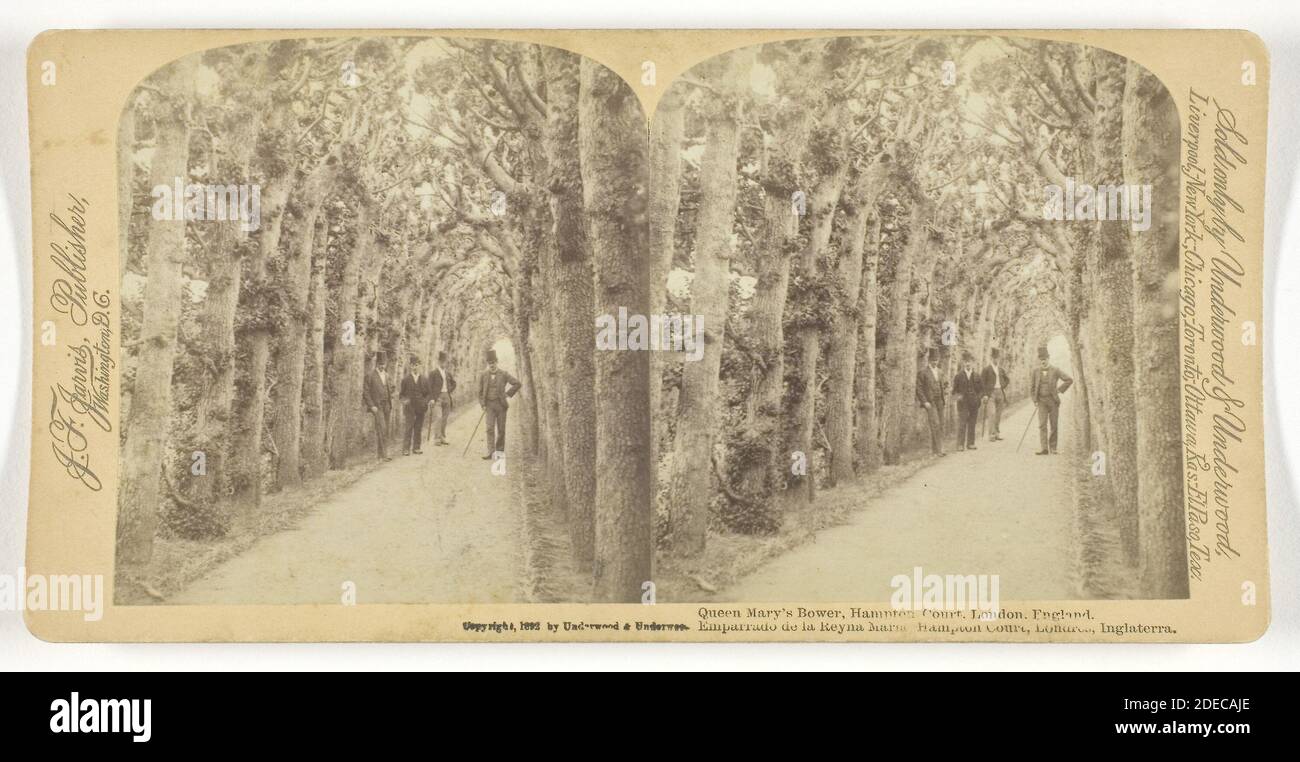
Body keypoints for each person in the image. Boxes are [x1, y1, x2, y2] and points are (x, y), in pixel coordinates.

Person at [477, 349, 521, 460]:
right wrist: (483, 404)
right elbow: (480, 392)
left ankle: (499, 452)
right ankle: (491, 452)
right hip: (489, 406)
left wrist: (507, 394)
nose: (491, 365)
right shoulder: (483, 375)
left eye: (493, 362)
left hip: (501, 405)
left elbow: (517, 383)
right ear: (488, 364)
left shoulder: (504, 374)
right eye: (489, 363)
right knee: (489, 428)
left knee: (501, 430)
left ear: (497, 362)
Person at [1030, 346, 1073, 455]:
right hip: (1041, 402)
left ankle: (1053, 448)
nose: (1043, 361)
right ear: (1039, 360)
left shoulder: (1055, 370)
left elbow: (1069, 380)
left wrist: (1059, 390)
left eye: (1045, 358)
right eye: (1041, 359)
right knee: (1042, 425)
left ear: (1048, 358)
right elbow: (1032, 387)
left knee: (1054, 424)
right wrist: (1034, 399)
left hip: (1053, 401)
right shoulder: (1035, 371)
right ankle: (1044, 448)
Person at [915, 350, 947, 457]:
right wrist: (924, 401)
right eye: (933, 360)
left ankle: (937, 449)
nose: (935, 362)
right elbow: (918, 389)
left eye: (936, 360)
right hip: (930, 402)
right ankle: (939, 450)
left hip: (940, 402)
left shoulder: (940, 372)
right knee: (935, 424)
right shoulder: (923, 373)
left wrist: (945, 392)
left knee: (941, 424)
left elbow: (944, 385)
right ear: (929, 360)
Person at [362, 352, 393, 462]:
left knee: (386, 429)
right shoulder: (370, 376)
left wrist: (390, 398)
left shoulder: (387, 375)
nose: (382, 366)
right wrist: (372, 405)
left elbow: (390, 388)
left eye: (384, 364)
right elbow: (365, 392)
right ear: (376, 364)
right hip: (377, 406)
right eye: (380, 364)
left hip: (387, 406)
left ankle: (381, 454)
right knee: (382, 428)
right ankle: (383, 455)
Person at [951, 350, 983, 451]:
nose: (968, 363)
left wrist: (979, 398)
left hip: (974, 403)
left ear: (972, 363)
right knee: (962, 423)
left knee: (972, 423)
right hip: (963, 403)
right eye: (966, 361)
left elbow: (982, 390)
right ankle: (960, 445)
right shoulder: (958, 376)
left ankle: (971, 443)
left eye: (969, 361)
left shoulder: (977, 376)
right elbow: (954, 391)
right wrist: (958, 397)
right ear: (963, 363)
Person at [399, 356, 430, 455]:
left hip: (421, 407)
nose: (415, 367)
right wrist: (404, 401)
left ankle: (416, 447)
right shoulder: (405, 380)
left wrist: (425, 402)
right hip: (410, 408)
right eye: (413, 365)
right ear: (410, 366)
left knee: (418, 427)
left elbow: (428, 394)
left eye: (416, 365)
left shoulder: (425, 379)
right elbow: (401, 395)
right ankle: (406, 449)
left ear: (419, 365)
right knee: (409, 427)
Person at [980, 347, 1011, 442]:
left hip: (1000, 393)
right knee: (992, 414)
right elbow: (982, 383)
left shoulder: (1001, 370)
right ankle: (991, 435)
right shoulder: (986, 369)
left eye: (997, 358)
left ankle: (997, 433)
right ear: (991, 358)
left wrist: (1002, 386)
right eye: (994, 358)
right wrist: (984, 394)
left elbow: (1007, 379)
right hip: (991, 394)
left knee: (998, 414)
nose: (996, 359)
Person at [427, 351, 456, 447]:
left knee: (445, 418)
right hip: (437, 397)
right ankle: (437, 438)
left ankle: (443, 437)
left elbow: (454, 383)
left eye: (445, 361)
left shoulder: (448, 373)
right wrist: (431, 399)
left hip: (446, 396)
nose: (443, 363)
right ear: (438, 361)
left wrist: (449, 390)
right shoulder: (433, 373)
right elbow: (429, 387)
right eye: (442, 361)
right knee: (438, 417)